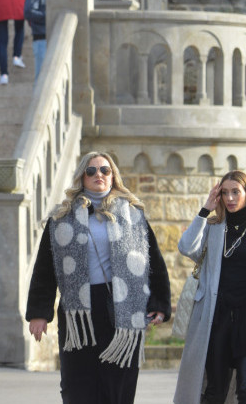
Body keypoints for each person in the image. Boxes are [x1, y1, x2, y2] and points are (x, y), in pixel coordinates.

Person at [26, 152, 171, 403]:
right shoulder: (61, 219)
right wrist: (39, 312)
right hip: (79, 314)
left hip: (122, 307)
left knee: (117, 386)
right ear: (82, 176)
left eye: (105, 170)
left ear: (113, 176)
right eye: (91, 171)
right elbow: (44, 270)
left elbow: (153, 263)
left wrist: (159, 304)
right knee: (76, 387)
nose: (99, 175)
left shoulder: (133, 216)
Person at [173, 170, 246, 404]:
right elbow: (185, 247)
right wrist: (205, 209)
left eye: (236, 192)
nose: (230, 198)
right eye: (225, 193)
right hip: (216, 319)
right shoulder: (211, 229)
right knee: (215, 389)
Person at [24, 0, 56, 81]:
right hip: (41, 39)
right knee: (41, 78)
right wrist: (47, 15)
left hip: (52, 38)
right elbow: (28, 12)